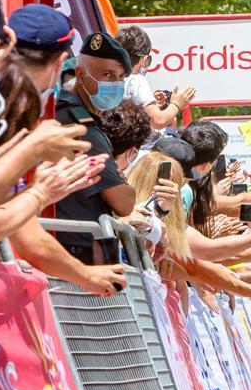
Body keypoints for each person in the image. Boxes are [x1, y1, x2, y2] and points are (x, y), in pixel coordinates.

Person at [54, 31, 136, 263]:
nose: (115, 84)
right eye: (107, 75)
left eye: (120, 77)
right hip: (83, 255)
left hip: (86, 250)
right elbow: (124, 203)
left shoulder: (78, 119)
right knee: (112, 294)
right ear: (81, 74)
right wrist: (125, 185)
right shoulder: (81, 127)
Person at [113, 25, 194, 131]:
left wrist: (150, 102)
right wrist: (177, 104)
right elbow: (158, 121)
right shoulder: (136, 80)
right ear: (144, 60)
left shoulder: (110, 78)